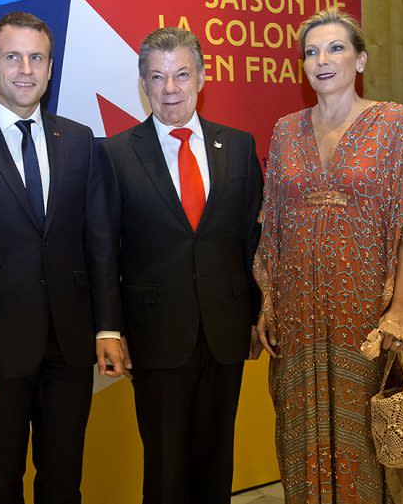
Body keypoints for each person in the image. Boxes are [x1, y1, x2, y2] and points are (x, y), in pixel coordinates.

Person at [252, 8, 403, 504]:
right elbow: (272, 228)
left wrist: (401, 309)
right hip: (298, 318)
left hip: (367, 319)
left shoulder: (392, 122)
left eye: (335, 48)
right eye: (311, 52)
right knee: (300, 435)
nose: (322, 60)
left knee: (369, 440)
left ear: (360, 60)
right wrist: (269, 302)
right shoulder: (286, 130)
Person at [0, 11, 123, 504]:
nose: (25, 68)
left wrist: (107, 327)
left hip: (70, 346)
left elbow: (99, 242)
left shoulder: (80, 140)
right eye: (12, 57)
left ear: (50, 66)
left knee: (64, 480)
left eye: (36, 57)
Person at [99, 27, 263, 504]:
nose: (170, 89)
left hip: (225, 333)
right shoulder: (114, 154)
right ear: (143, 84)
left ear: (202, 78)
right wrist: (110, 327)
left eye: (181, 75)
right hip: (155, 335)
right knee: (166, 469)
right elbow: (105, 248)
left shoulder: (237, 146)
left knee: (217, 463)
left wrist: (257, 315)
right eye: (157, 77)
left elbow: (250, 241)